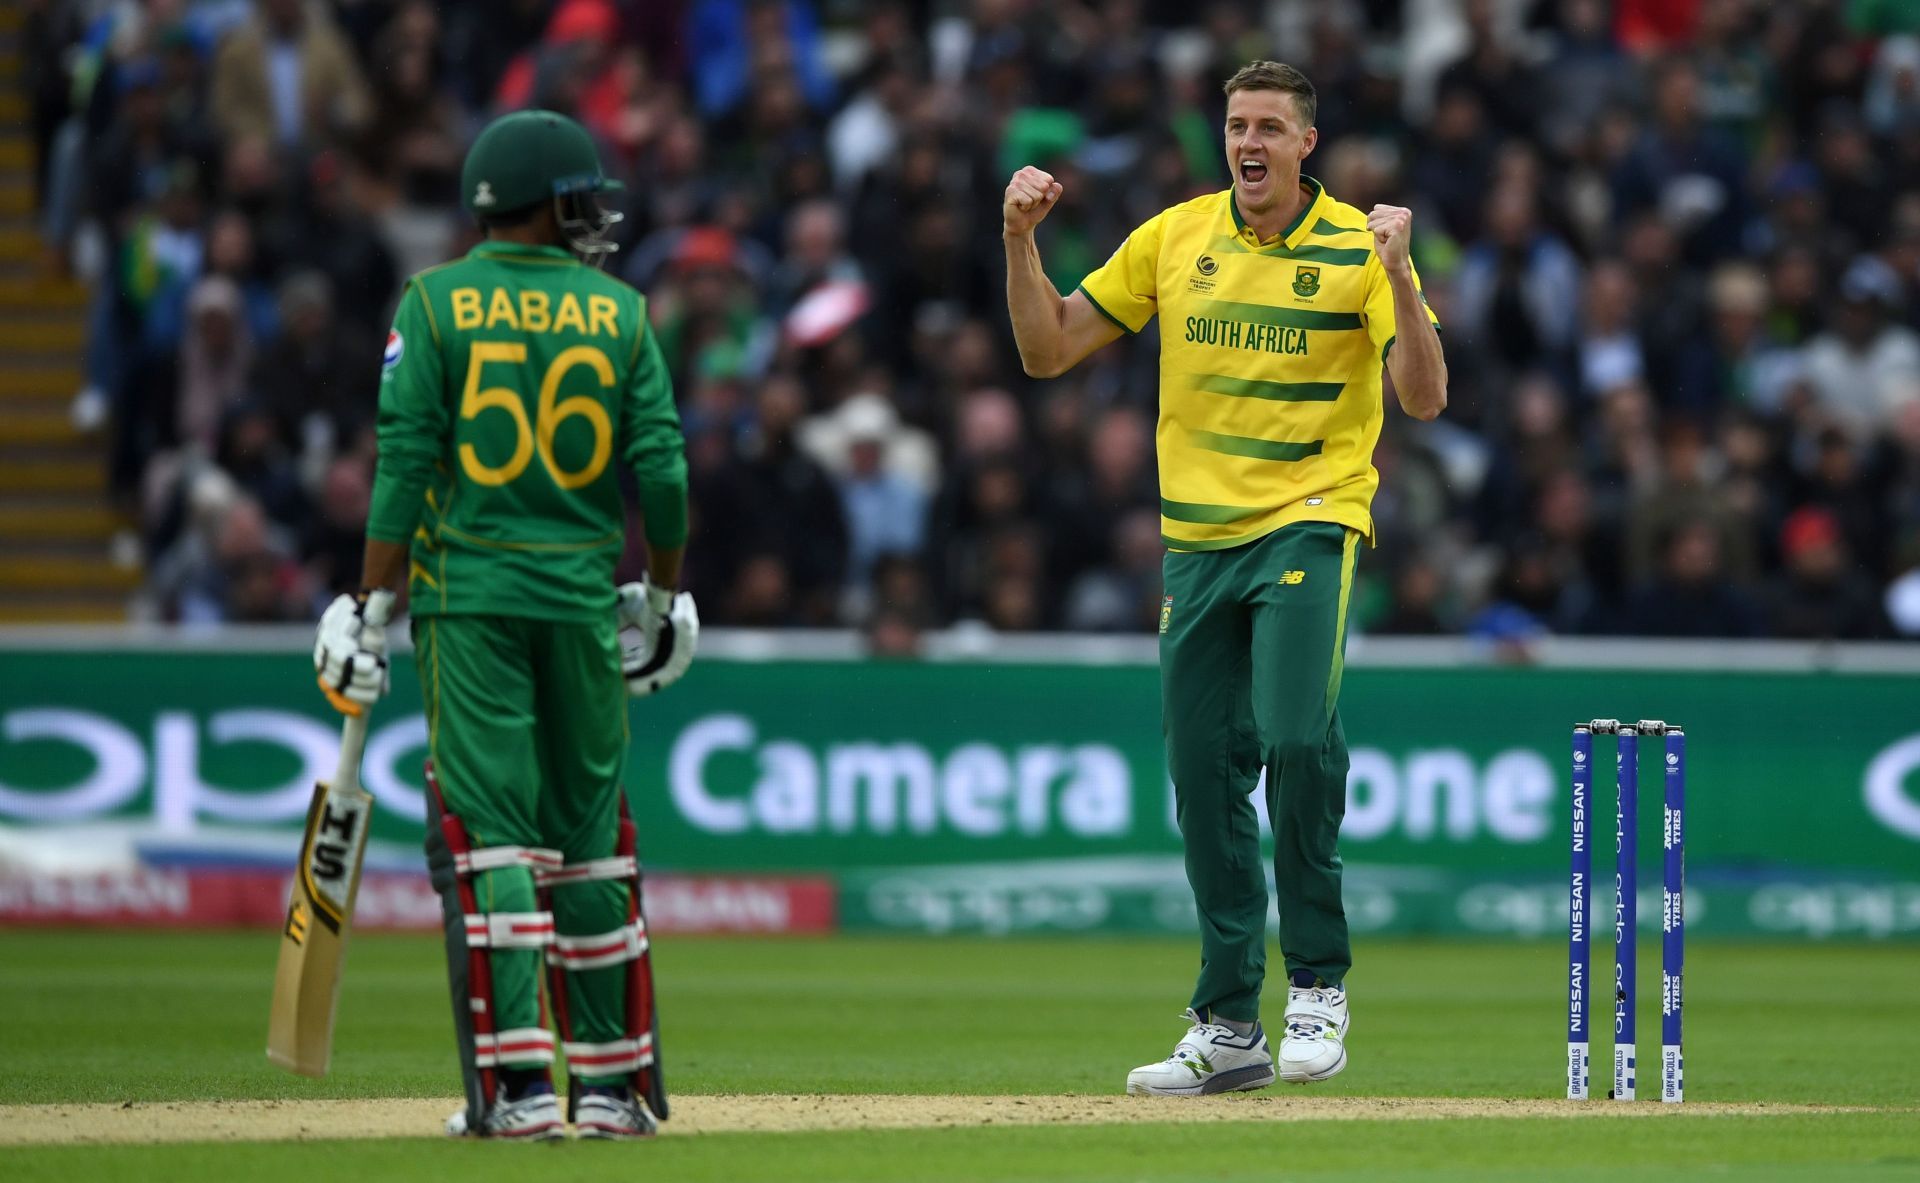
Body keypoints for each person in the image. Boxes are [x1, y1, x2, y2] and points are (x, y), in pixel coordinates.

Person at [1002, 61, 1446, 1094]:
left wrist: (1404, 276)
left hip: (1310, 522)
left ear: (1305, 145)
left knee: (1294, 734)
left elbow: (1422, 397)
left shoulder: (1360, 245)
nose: (1249, 142)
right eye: (1237, 124)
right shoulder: (1175, 235)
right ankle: (1228, 1023)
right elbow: (1047, 349)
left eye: (1270, 128)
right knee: (1201, 780)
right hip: (1196, 545)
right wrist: (1020, 241)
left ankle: (1319, 985)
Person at [311, 111, 696, 1140]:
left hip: (467, 604)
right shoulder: (619, 311)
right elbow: (660, 470)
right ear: (552, 200)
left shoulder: (432, 303)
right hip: (577, 608)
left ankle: (521, 1092)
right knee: (590, 844)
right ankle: (610, 1090)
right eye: (583, 196)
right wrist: (659, 596)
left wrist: (369, 601)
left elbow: (403, 464)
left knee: (496, 846)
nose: (595, 215)